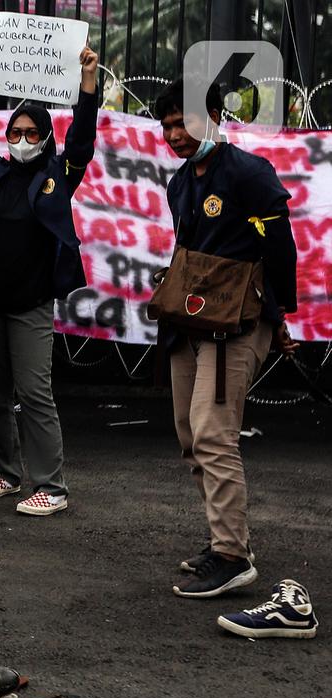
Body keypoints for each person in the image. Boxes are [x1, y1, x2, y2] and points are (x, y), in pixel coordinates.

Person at [153, 79, 297, 599]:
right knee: (192, 439)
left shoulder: (248, 174)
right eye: (167, 125)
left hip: (238, 323)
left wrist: (279, 318)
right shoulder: (180, 185)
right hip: (188, 326)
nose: (176, 134)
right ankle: (223, 542)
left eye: (185, 121)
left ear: (214, 115)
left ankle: (233, 557)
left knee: (213, 433)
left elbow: (279, 249)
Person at [0, 45, 100, 516]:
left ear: (44, 138)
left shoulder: (59, 175)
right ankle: (7, 473)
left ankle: (51, 487)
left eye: (31, 132)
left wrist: (87, 84)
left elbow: (81, 142)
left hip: (32, 304)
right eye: (15, 131)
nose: (21, 138)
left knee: (35, 394)